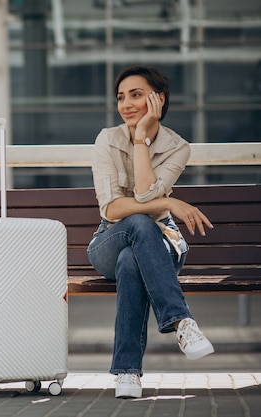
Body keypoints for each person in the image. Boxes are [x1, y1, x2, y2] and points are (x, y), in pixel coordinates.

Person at [87, 65, 215, 399]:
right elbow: (111, 210)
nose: (126, 104)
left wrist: (142, 138)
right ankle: (181, 322)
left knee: (132, 260)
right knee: (138, 227)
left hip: (162, 241)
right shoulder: (108, 140)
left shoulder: (177, 147)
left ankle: (127, 373)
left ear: (159, 99)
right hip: (109, 238)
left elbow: (142, 194)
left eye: (136, 95)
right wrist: (171, 203)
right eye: (121, 97)